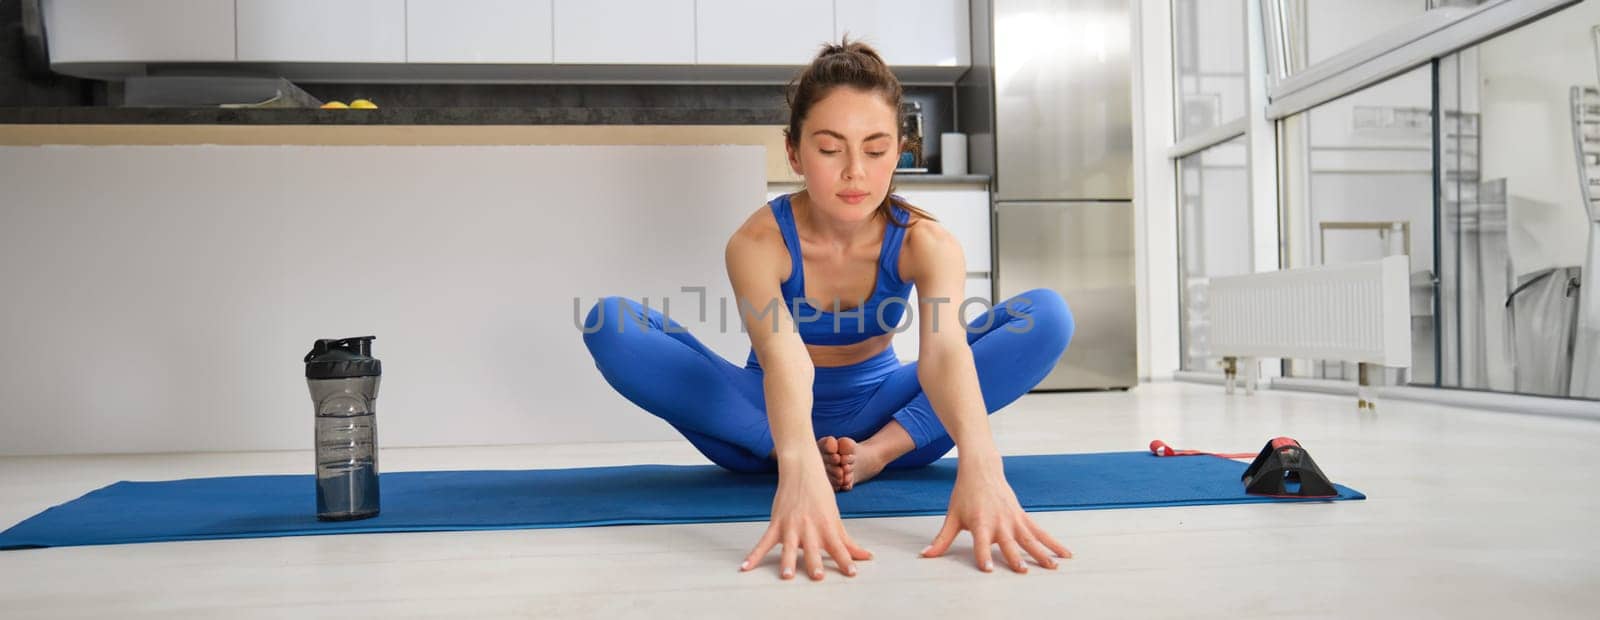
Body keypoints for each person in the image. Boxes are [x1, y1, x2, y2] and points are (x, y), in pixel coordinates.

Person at [582, 39, 1075, 582]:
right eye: (830, 148)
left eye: (875, 148)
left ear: (900, 152)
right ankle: (798, 460)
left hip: (890, 417)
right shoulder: (757, 242)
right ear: (794, 153)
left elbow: (944, 355)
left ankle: (871, 458)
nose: (854, 173)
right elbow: (784, 358)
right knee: (611, 324)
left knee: (1047, 317)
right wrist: (796, 464)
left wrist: (982, 463)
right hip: (765, 417)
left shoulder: (926, 242)